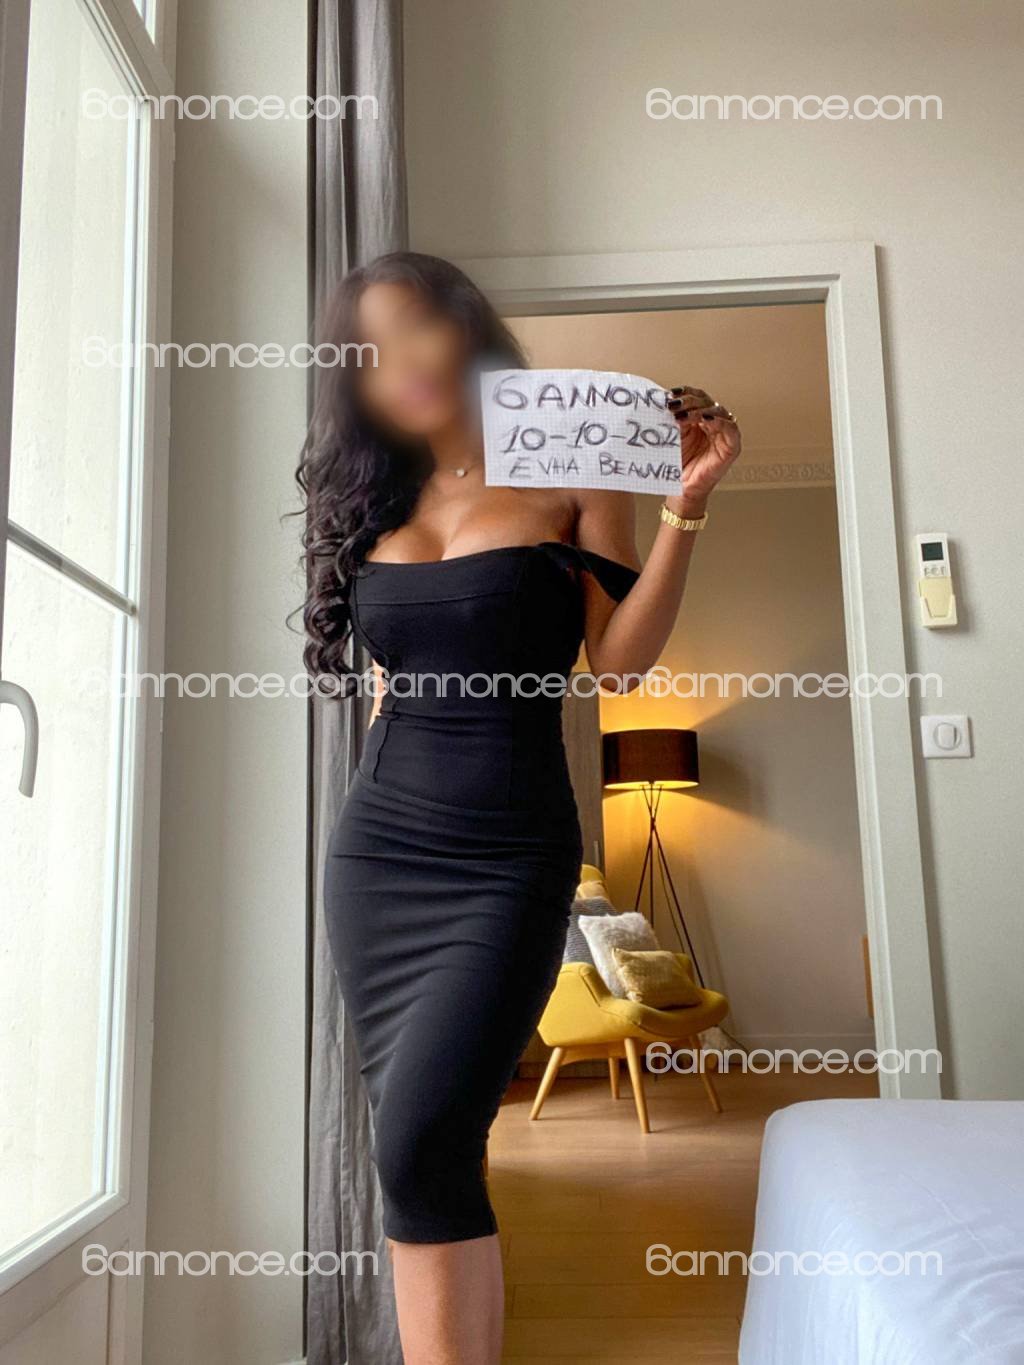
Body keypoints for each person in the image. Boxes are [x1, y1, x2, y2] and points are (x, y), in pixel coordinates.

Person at [298, 251, 741, 1365]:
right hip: (378, 855)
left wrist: (684, 509)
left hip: (506, 855)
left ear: (466, 330)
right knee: (422, 1151)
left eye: (417, 326)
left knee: (422, 1137)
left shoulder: (569, 470)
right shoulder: (377, 496)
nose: (400, 361)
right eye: (370, 347)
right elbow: (393, 688)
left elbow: (618, 662)